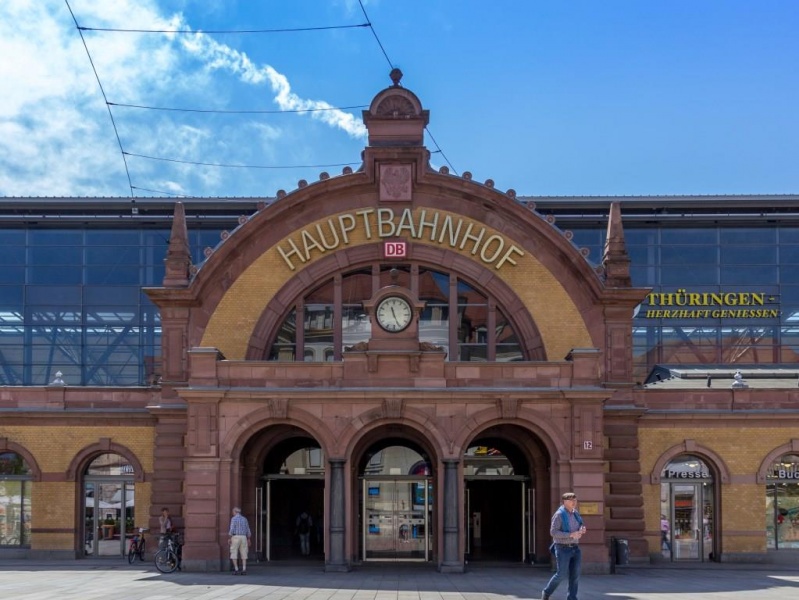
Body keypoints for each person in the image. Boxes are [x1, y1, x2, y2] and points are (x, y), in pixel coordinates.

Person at [542, 492, 586, 600]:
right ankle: (546, 592)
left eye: (575, 500)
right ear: (564, 502)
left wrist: (582, 528)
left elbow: (581, 523)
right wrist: (570, 534)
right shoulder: (559, 515)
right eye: (571, 500)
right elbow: (553, 532)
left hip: (575, 548)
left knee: (575, 575)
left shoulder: (575, 513)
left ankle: (572, 598)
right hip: (562, 548)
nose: (573, 502)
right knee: (561, 574)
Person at [228, 507, 252, 575]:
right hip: (244, 537)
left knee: (233, 552)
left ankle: (236, 569)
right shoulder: (244, 519)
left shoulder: (233, 519)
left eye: (233, 512)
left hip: (235, 537)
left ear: (235, 512)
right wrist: (248, 538)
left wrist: (229, 538)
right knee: (244, 553)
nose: (232, 513)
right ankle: (244, 569)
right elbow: (248, 529)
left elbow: (232, 529)